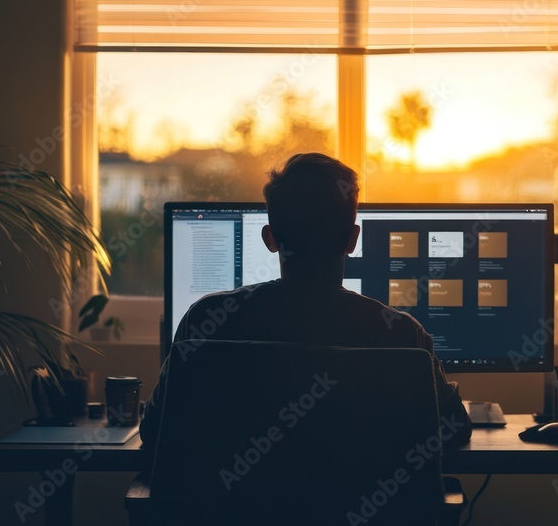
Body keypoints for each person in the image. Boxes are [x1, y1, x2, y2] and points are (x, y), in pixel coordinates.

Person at [139, 152, 472, 450]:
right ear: (353, 239)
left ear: (270, 238)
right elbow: (454, 430)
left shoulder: (205, 321)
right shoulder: (402, 336)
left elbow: (155, 430)